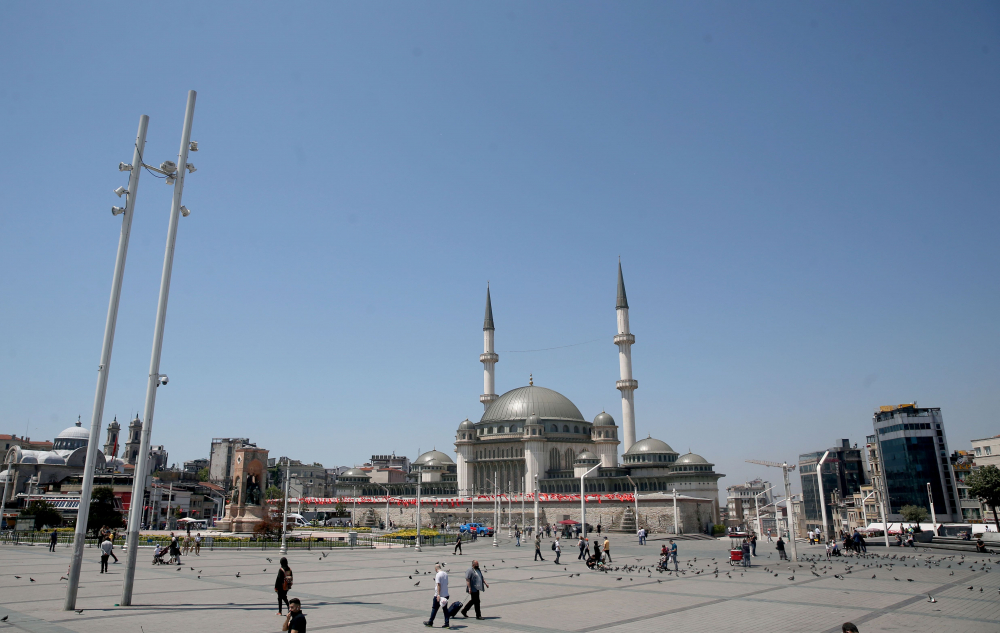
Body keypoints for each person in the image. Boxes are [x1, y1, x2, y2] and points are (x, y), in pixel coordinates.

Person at [423, 563, 450, 628]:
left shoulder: (438, 574)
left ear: (436, 569)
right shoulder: (445, 574)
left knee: (434, 608)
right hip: (446, 595)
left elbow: (438, 585)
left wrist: (438, 594)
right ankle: (447, 623)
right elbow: (447, 583)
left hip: (439, 596)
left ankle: (430, 622)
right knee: (445, 610)